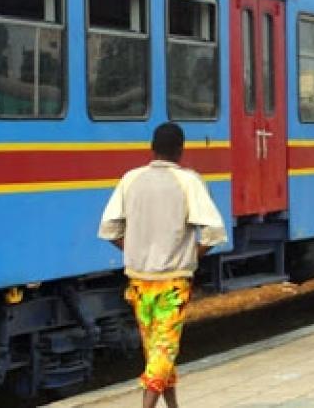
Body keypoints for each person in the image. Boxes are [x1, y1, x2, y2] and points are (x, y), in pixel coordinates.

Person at [98, 122, 228, 408]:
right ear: (181, 151)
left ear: (151, 149)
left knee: (157, 352)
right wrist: (192, 255)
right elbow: (215, 232)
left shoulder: (130, 179)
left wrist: (132, 249)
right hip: (173, 284)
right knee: (163, 351)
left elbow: (109, 229)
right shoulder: (188, 181)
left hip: (138, 283)